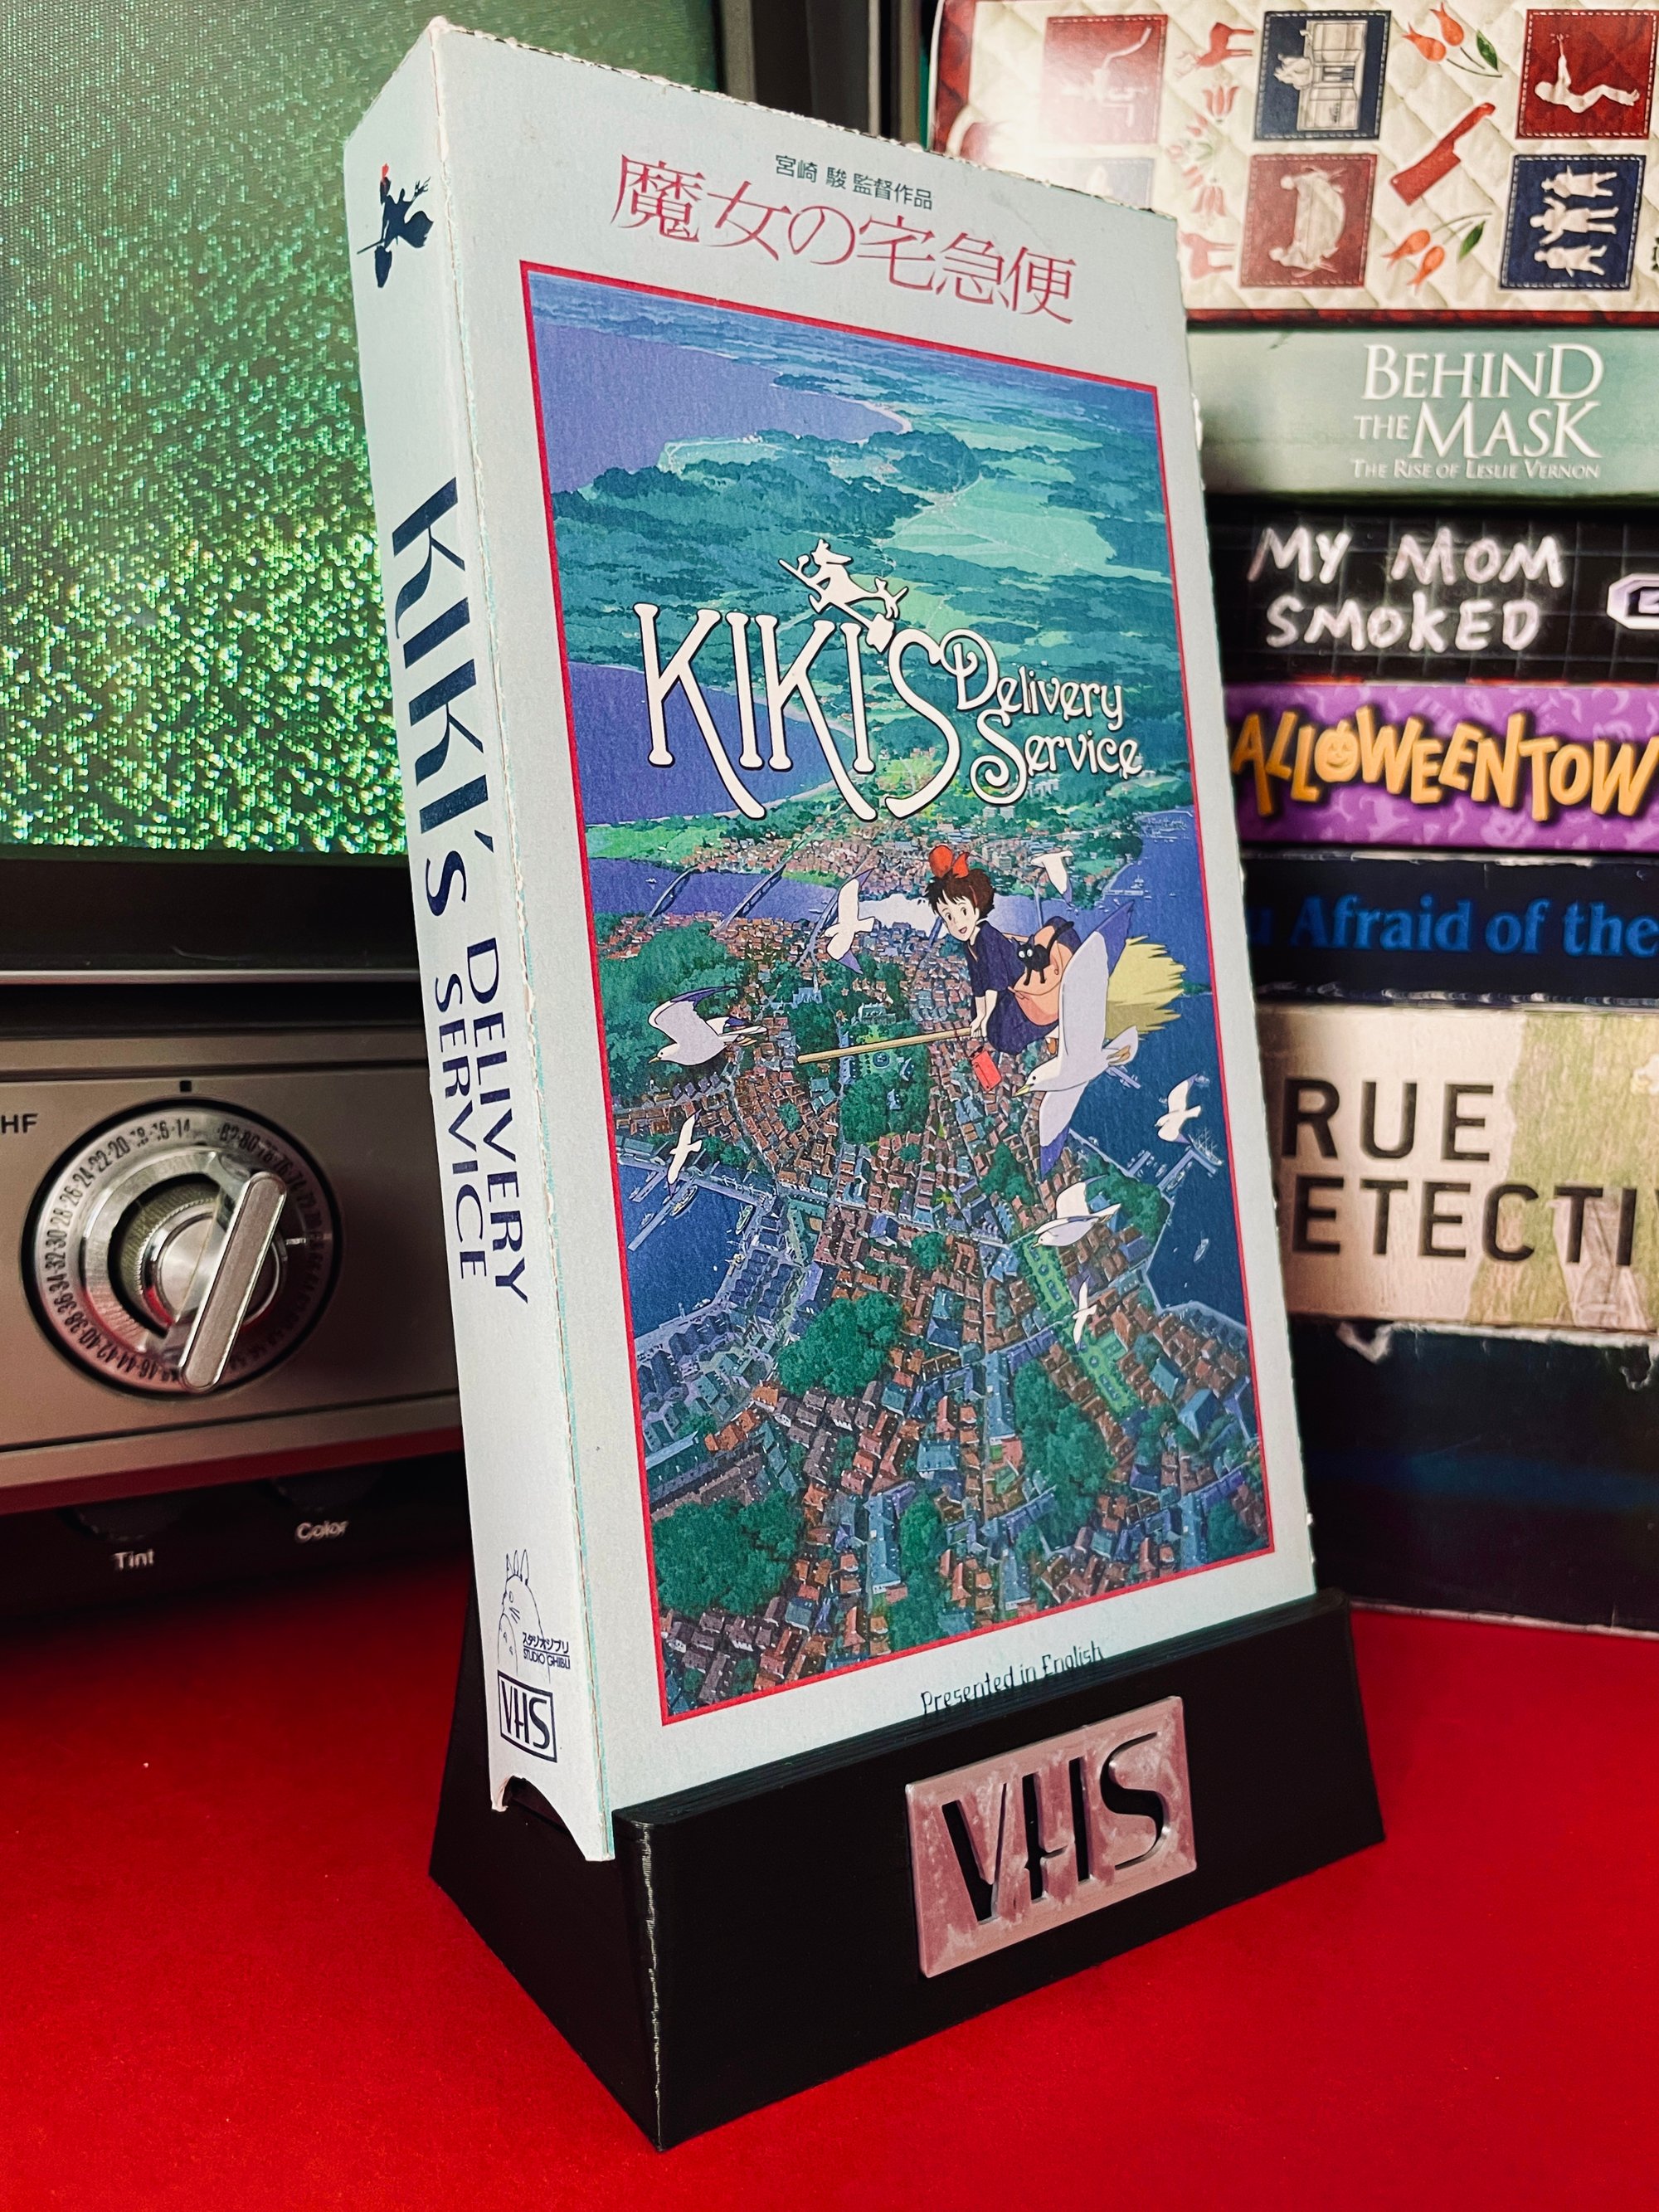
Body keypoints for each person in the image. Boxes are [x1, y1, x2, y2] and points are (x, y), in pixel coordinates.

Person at [922, 845, 1078, 1057]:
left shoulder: (986, 937)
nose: (957, 922)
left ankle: (1055, 1028)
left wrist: (987, 1019)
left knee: (1002, 1037)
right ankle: (1046, 1027)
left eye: (963, 911)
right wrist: (981, 1016)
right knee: (979, 1014)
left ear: (976, 905)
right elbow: (979, 983)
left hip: (1028, 982)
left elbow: (996, 981)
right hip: (1015, 986)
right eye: (948, 917)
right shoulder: (970, 943)